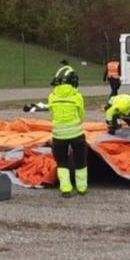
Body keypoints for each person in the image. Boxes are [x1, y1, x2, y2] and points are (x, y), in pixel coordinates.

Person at [48, 69, 87, 198]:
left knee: (62, 162)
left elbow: (52, 114)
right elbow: (81, 114)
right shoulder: (77, 96)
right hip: (77, 134)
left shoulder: (52, 96)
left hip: (58, 135)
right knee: (80, 161)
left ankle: (66, 189)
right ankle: (81, 188)